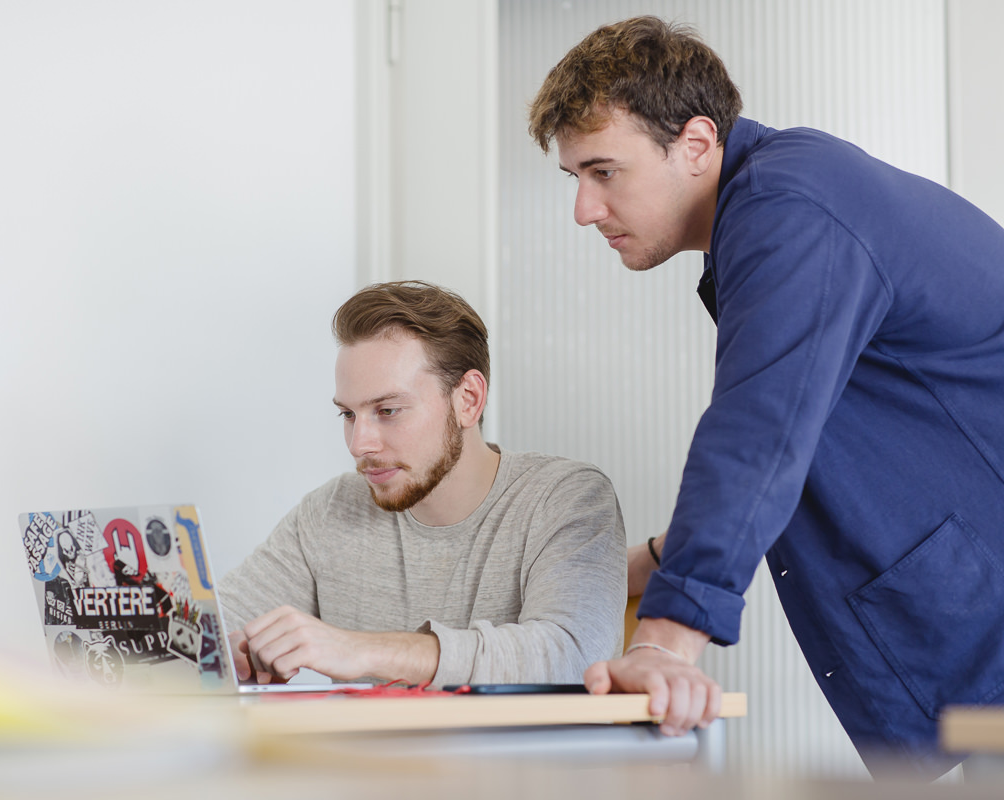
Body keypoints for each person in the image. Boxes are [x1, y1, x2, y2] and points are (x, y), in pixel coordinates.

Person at [528, 15, 1004, 778]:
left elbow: (760, 430)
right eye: (574, 178)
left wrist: (664, 637)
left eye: (603, 172)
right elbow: (812, 436)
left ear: (695, 142)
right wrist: (651, 563)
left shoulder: (792, 209)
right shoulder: (780, 205)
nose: (584, 209)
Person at [218, 281, 626, 689]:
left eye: (388, 410)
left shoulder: (566, 498)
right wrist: (218, 652)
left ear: (468, 399)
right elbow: (205, 626)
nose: (360, 444)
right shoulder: (332, 511)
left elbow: (576, 657)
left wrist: (361, 649)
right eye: (348, 414)